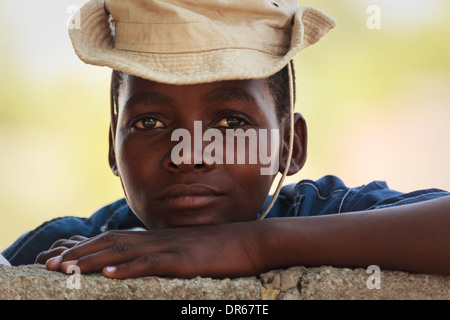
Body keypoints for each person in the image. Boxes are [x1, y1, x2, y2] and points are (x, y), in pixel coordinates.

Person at [2, 0, 449, 278]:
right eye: (150, 124)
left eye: (231, 124)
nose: (189, 153)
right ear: (112, 149)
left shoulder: (329, 214)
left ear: (290, 146)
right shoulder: (72, 248)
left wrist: (255, 245)